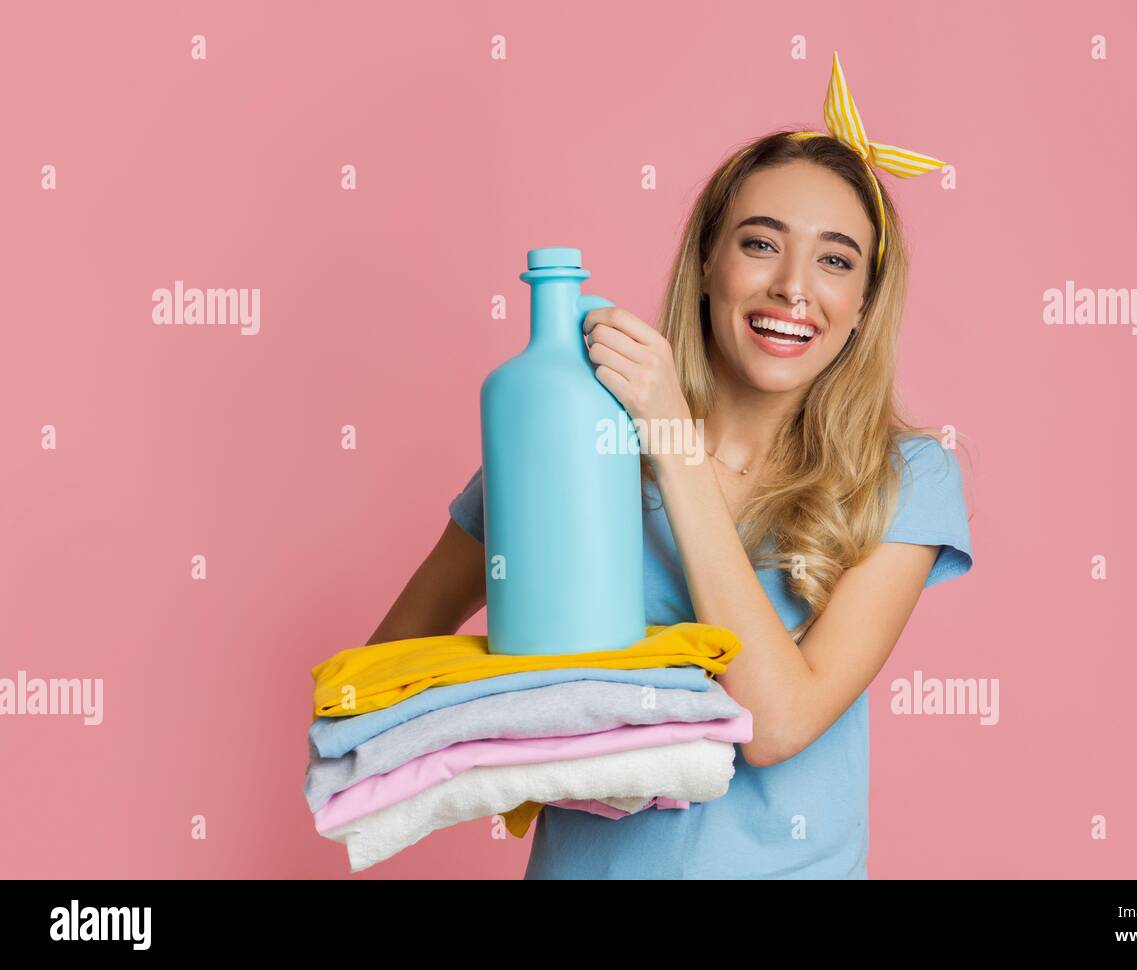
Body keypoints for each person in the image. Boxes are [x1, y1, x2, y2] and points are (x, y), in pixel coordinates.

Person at [367, 53, 974, 879]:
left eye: (835, 260)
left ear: (864, 304)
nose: (794, 288)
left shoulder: (906, 477)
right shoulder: (575, 435)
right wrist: (540, 736)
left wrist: (674, 443)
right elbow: (389, 668)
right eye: (760, 244)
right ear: (706, 266)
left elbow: (778, 724)